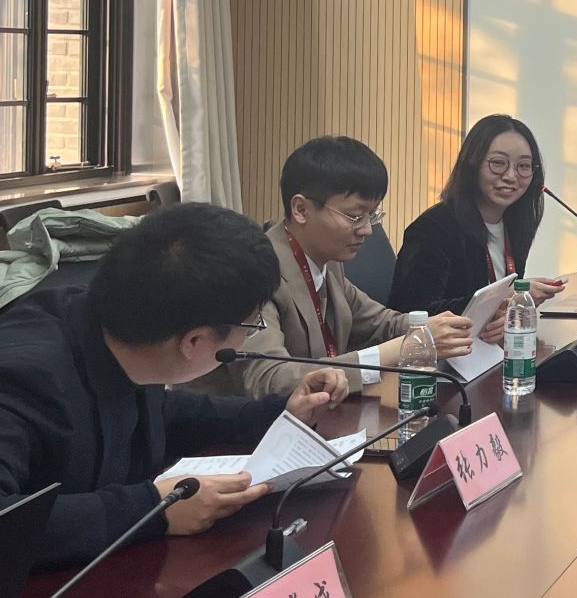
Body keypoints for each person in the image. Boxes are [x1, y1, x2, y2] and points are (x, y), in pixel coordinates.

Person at [0, 203, 347, 566]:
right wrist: (152, 510)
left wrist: (276, 411)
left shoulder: (122, 330)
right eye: (252, 325)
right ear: (194, 341)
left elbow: (156, 413)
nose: (251, 335)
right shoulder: (17, 379)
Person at [200, 136, 498, 400]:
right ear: (301, 209)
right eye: (356, 216)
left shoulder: (327, 263)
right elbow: (270, 380)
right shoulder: (254, 273)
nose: (367, 230)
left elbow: (383, 323)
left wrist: (451, 326)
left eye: (372, 215)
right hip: (239, 436)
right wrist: (403, 349)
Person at [389, 115, 566, 317]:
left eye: (524, 166)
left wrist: (515, 301)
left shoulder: (514, 223)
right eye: (498, 163)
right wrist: (504, 298)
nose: (511, 176)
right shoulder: (433, 229)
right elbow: (412, 313)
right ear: (471, 164)